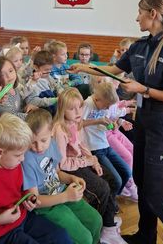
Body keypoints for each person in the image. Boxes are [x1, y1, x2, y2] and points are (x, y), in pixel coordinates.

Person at [69, 0, 163, 244]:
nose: (136, 18)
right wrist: (82, 67)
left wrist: (143, 89)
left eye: (140, 12)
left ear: (153, 14)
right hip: (145, 122)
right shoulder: (140, 46)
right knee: (143, 184)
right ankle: (146, 236)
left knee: (158, 194)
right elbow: (113, 70)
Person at [0, 113, 72, 244]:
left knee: (61, 236)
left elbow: (22, 192)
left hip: (24, 217)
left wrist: (29, 200)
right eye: (19, 155)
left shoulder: (15, 163)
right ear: (0, 153)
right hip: (3, 231)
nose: (23, 159)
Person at [52, 88, 127, 244]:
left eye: (79, 107)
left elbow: (82, 144)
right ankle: (99, 226)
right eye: (72, 109)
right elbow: (62, 163)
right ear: (62, 109)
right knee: (102, 189)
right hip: (68, 168)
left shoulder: (76, 122)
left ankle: (108, 225)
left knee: (113, 180)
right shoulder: (60, 129)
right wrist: (87, 161)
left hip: (80, 162)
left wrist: (94, 160)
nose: (78, 111)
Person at [23, 108, 102, 244]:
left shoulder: (52, 145)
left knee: (96, 221)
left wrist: (71, 178)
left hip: (62, 191)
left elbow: (57, 173)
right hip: (47, 206)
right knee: (84, 238)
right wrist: (65, 197)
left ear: (51, 133)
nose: (38, 147)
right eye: (32, 142)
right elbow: (35, 201)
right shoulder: (27, 159)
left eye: (43, 140)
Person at [81, 82, 131, 197]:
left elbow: (105, 121)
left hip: (105, 145)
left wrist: (113, 124)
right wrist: (98, 121)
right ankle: (110, 204)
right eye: (106, 106)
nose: (108, 108)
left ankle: (112, 200)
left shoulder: (103, 104)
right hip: (94, 148)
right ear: (98, 99)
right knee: (116, 181)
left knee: (126, 172)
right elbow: (79, 123)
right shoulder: (88, 104)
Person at [25, 50, 64, 115]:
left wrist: (61, 92)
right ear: (36, 67)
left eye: (50, 69)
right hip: (43, 111)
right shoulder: (32, 82)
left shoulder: (48, 77)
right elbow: (32, 101)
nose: (49, 72)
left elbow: (57, 85)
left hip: (53, 106)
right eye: (46, 70)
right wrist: (54, 100)